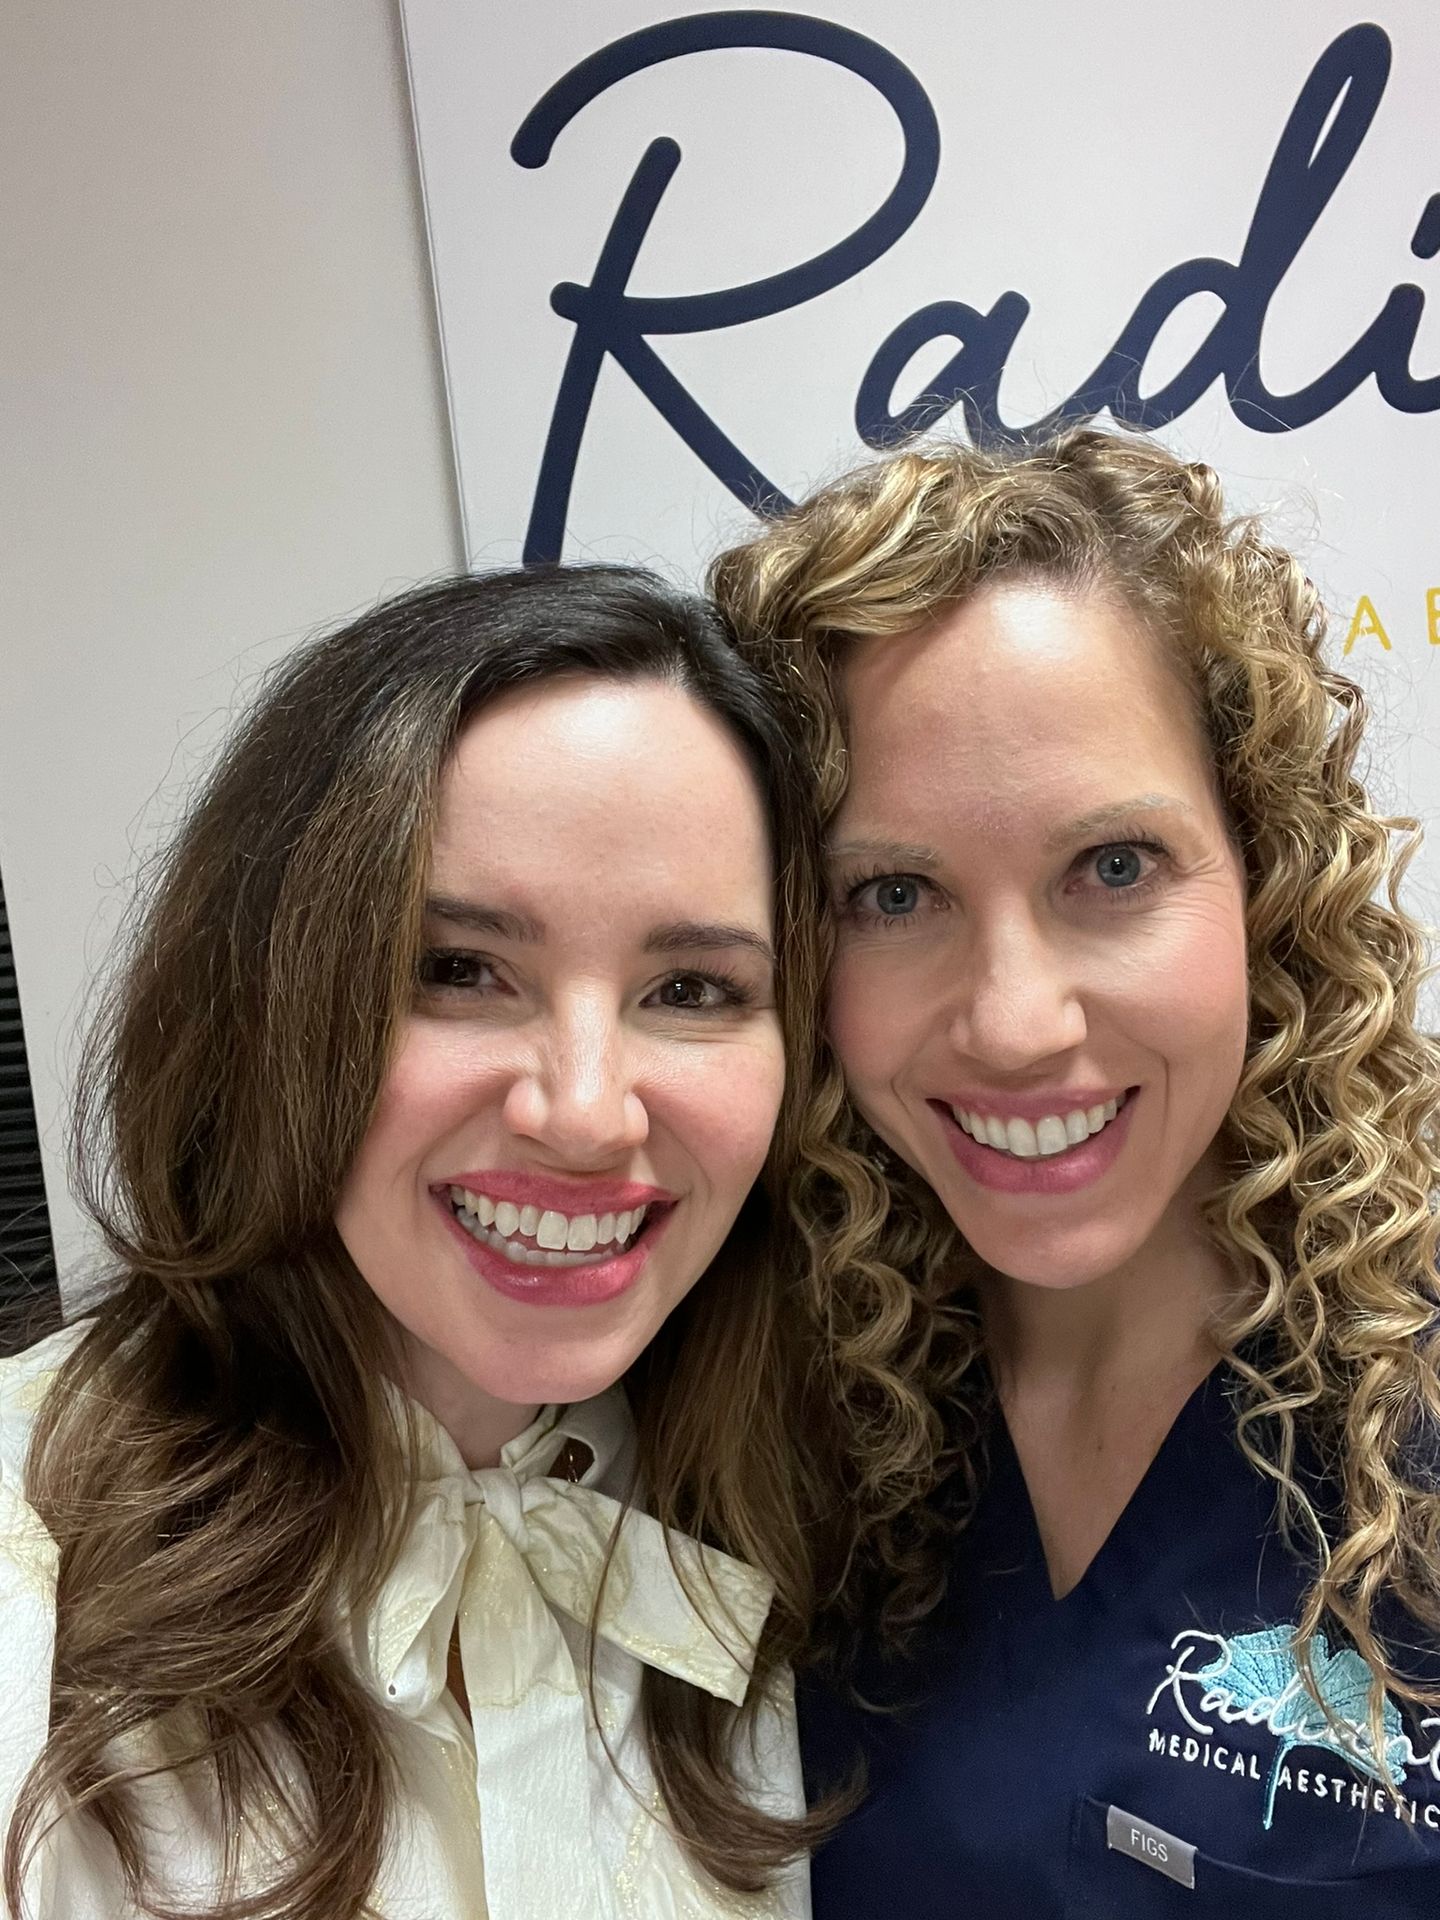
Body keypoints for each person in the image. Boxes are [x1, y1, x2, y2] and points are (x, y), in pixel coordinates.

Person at [0, 565, 844, 1920]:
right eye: (456, 970)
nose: (586, 1112)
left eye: (691, 988)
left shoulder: (812, 1541)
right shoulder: (23, 1575)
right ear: (273, 999)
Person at [710, 428, 1440, 1918]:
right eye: (893, 893)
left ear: (1265, 869)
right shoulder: (755, 1418)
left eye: (1112, 868)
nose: (1016, 1023)